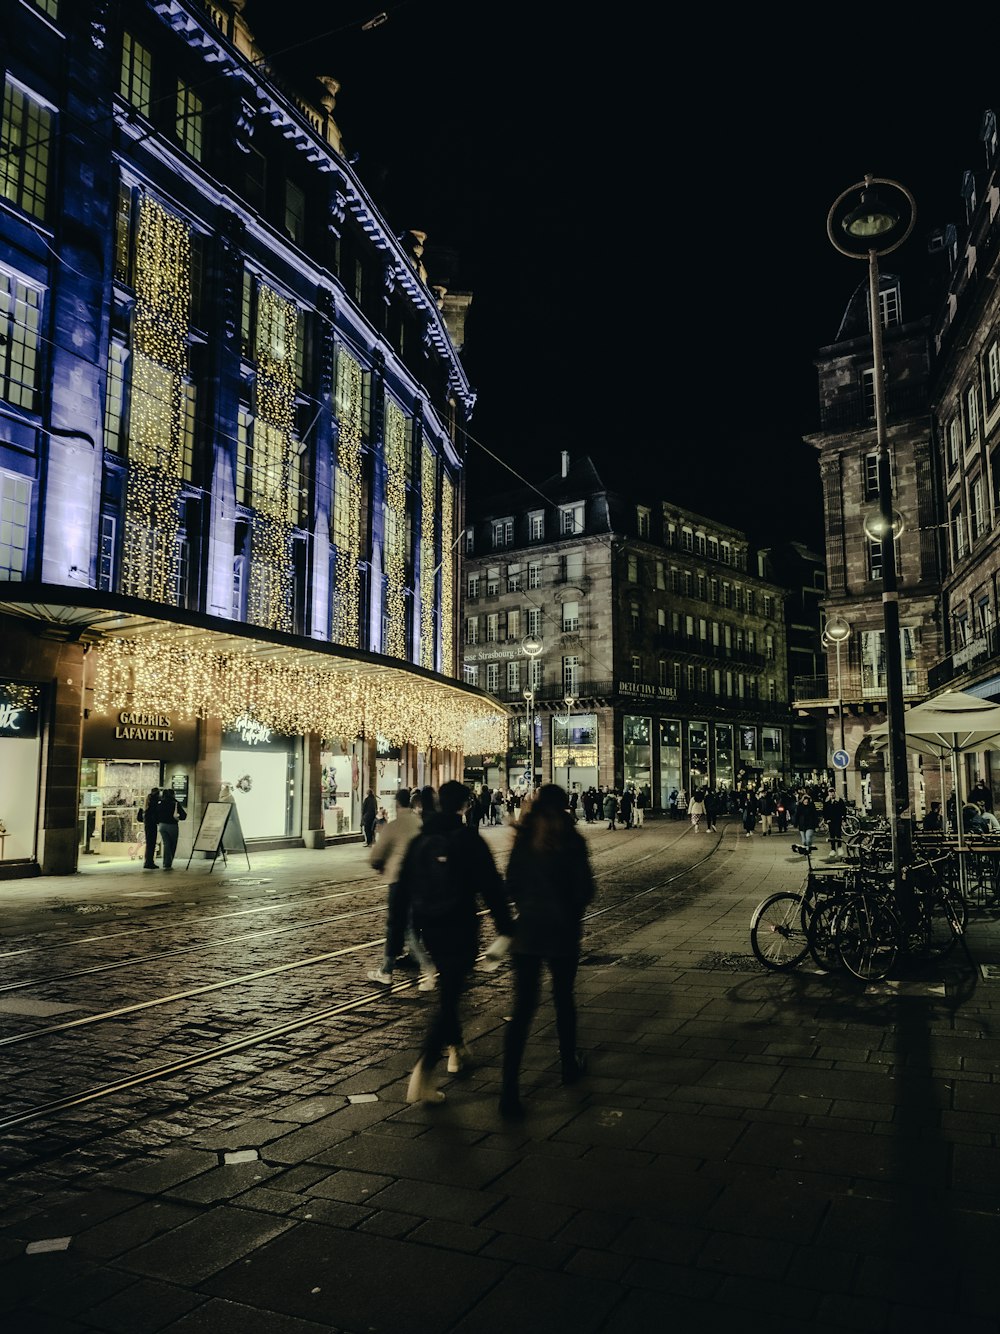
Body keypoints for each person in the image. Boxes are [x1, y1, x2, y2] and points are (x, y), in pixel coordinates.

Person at [401, 780, 514, 1104]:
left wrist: (401, 934)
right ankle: (423, 1073)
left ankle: (457, 1049)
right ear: (465, 805)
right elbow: (491, 887)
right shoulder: (469, 839)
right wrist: (505, 927)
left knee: (450, 989)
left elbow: (404, 890)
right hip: (461, 925)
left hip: (430, 930)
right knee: (450, 997)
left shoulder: (421, 839)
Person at [500, 784, 596, 1120]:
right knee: (563, 1000)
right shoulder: (572, 840)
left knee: (522, 1009)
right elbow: (587, 889)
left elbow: (509, 883)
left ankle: (508, 1090)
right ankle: (568, 1065)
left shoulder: (524, 839)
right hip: (563, 933)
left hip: (528, 933)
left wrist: (525, 908)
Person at [367, 788, 435, 991]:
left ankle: (392, 970)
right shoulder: (418, 823)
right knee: (409, 926)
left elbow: (376, 857)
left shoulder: (394, 826)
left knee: (397, 925)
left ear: (397, 804)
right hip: (419, 881)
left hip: (399, 881)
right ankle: (394, 966)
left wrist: (380, 864)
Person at [154, 787, 185, 870]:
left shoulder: (160, 803)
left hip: (162, 826)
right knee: (173, 844)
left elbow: (156, 815)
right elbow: (183, 815)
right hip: (172, 826)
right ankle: (169, 863)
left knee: (166, 844)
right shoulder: (175, 803)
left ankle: (166, 863)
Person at [138, 786, 161, 869]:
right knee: (151, 843)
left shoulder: (147, 801)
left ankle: (148, 861)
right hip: (152, 824)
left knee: (149, 844)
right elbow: (155, 813)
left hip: (147, 824)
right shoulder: (154, 801)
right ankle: (149, 862)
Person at [823, 792, 847, 857]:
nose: (831, 796)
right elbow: (825, 811)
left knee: (838, 833)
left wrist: (843, 819)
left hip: (837, 819)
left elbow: (843, 810)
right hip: (830, 820)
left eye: (832, 794)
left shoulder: (839, 800)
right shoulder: (827, 801)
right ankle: (833, 849)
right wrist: (826, 819)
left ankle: (839, 847)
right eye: (830, 794)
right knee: (832, 835)